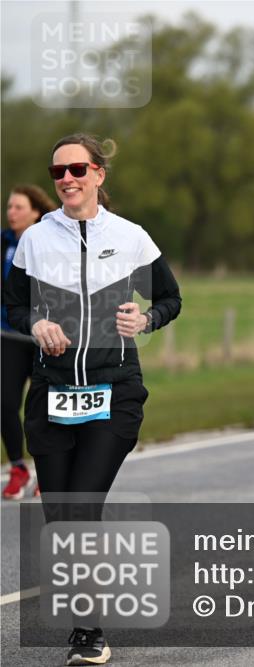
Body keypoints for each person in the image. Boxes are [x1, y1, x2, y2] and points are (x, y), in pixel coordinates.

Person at [2, 133, 182, 665]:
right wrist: (36, 324)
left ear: (99, 175)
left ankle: (89, 633)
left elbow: (170, 297)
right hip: (52, 394)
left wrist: (145, 319)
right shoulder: (36, 239)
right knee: (61, 517)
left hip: (114, 390)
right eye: (57, 172)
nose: (67, 179)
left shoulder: (130, 237)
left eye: (77, 169)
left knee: (81, 506)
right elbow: (13, 306)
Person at [2, 185, 56, 499]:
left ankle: (48, 472)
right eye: (9, 206)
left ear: (36, 212)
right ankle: (18, 469)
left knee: (44, 408)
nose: (11, 212)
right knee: (5, 403)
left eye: (18, 207)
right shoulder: (4, 243)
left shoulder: (50, 242)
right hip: (9, 335)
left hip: (43, 338)